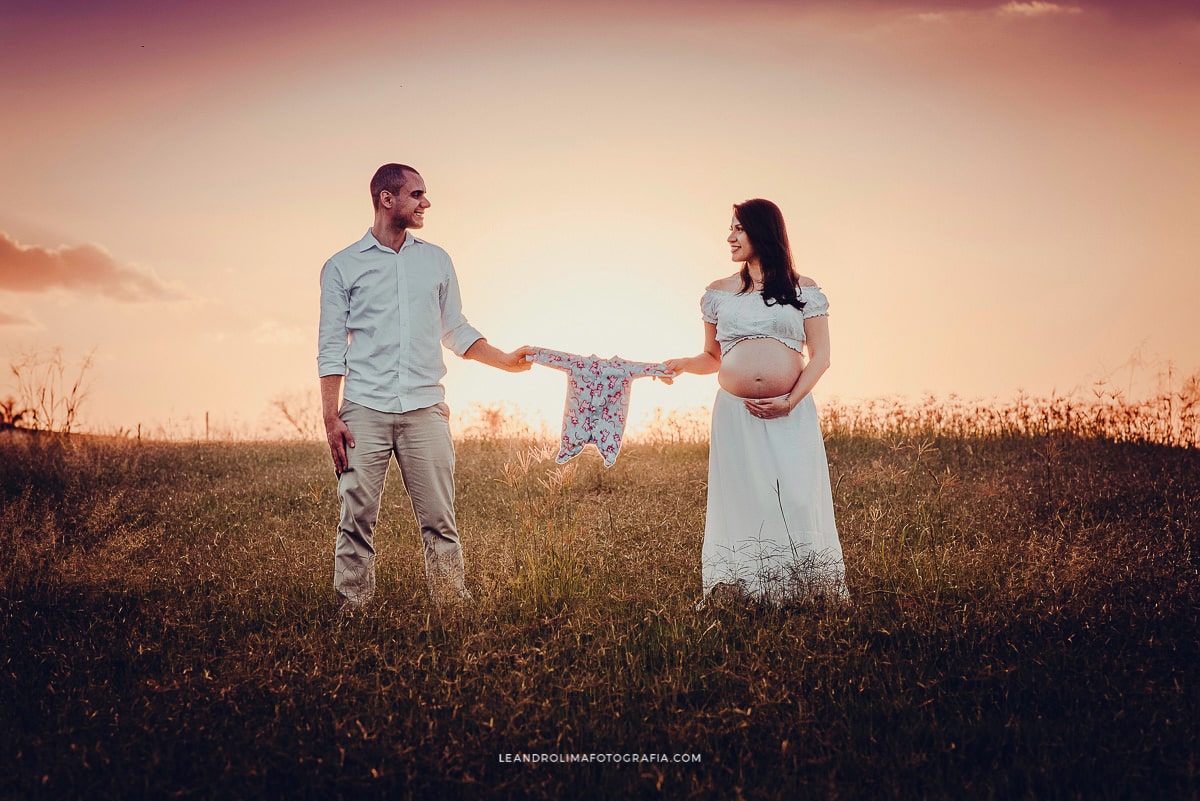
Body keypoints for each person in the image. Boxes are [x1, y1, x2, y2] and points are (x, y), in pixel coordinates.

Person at [317, 163, 532, 612]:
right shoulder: (341, 267)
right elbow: (331, 345)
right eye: (417, 194)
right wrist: (330, 416)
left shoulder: (437, 260)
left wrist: (506, 361)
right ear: (386, 199)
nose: (425, 203)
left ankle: (452, 606)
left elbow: (455, 330)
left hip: (425, 410)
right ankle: (351, 612)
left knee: (440, 519)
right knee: (355, 519)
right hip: (364, 411)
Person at [664, 198, 848, 604]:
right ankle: (745, 591)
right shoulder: (718, 292)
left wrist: (790, 402)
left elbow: (821, 357)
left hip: (791, 412)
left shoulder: (804, 290)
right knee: (745, 496)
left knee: (796, 496)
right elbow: (712, 358)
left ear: (762, 231)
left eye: (738, 229)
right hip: (736, 415)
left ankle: (803, 588)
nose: (730, 237)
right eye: (729, 230)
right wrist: (681, 364)